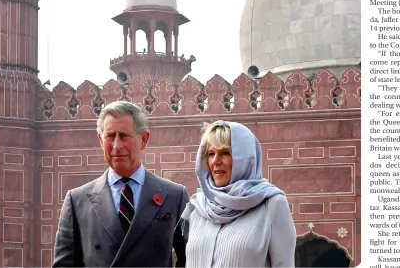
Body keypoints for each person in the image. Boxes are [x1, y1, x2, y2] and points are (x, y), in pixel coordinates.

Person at [53, 102, 189, 267]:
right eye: (110, 136)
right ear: (100, 140)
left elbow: (188, 260)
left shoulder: (174, 195)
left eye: (124, 135)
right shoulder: (78, 200)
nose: (117, 146)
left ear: (144, 139)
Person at [182, 121, 296, 267]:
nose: (215, 161)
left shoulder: (271, 204)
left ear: (245, 159)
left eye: (225, 153)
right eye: (211, 154)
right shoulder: (199, 207)